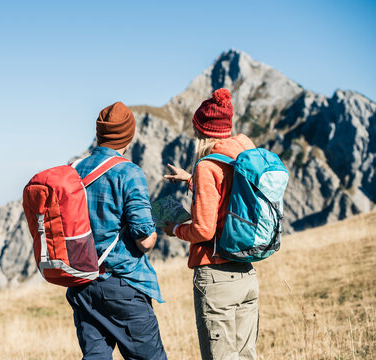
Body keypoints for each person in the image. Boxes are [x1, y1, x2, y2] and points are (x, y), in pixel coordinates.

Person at [66, 101, 167, 360]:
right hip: (123, 285)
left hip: (83, 285)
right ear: (129, 136)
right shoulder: (129, 172)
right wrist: (157, 226)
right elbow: (144, 241)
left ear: (99, 133)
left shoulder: (74, 170)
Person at [163, 88, 259, 360]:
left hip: (217, 279)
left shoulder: (206, 166)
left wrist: (176, 229)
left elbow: (204, 230)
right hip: (246, 274)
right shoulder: (242, 157)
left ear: (202, 132)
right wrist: (190, 181)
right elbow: (229, 197)